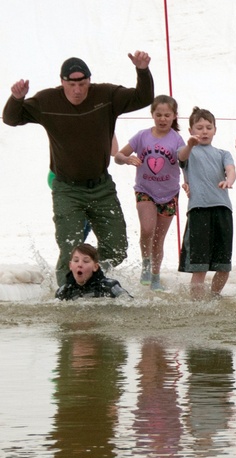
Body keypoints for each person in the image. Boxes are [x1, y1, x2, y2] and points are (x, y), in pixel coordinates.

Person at [3, 52, 153, 281]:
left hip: (101, 187)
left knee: (117, 247)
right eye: (71, 84)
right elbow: (11, 118)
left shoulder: (107, 95)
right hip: (67, 189)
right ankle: (66, 290)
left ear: (89, 81)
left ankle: (91, 279)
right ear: (62, 82)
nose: (77, 90)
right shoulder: (47, 101)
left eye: (82, 84)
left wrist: (142, 71)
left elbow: (143, 98)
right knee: (70, 248)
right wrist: (17, 98)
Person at [114, 95, 184, 290]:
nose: (162, 119)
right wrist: (127, 159)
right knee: (147, 229)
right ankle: (146, 264)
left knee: (158, 239)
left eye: (167, 115)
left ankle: (155, 276)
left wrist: (189, 183)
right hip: (145, 190)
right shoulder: (142, 136)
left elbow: (186, 162)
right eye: (159, 115)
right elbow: (118, 156)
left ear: (174, 116)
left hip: (169, 193)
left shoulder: (177, 139)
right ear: (152, 115)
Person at [177, 107, 236, 299]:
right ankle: (197, 303)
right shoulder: (188, 151)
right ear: (191, 130)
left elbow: (231, 169)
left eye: (208, 127)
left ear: (215, 130)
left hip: (223, 210)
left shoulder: (222, 153)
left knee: (224, 265)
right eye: (199, 127)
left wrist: (229, 180)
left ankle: (214, 297)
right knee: (199, 266)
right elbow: (182, 157)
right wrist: (190, 144)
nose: (204, 131)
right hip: (198, 211)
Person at [55, 243, 129, 300]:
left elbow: (130, 303)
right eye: (76, 260)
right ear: (70, 265)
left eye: (86, 261)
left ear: (95, 267)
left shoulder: (109, 286)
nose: (80, 265)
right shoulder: (63, 291)